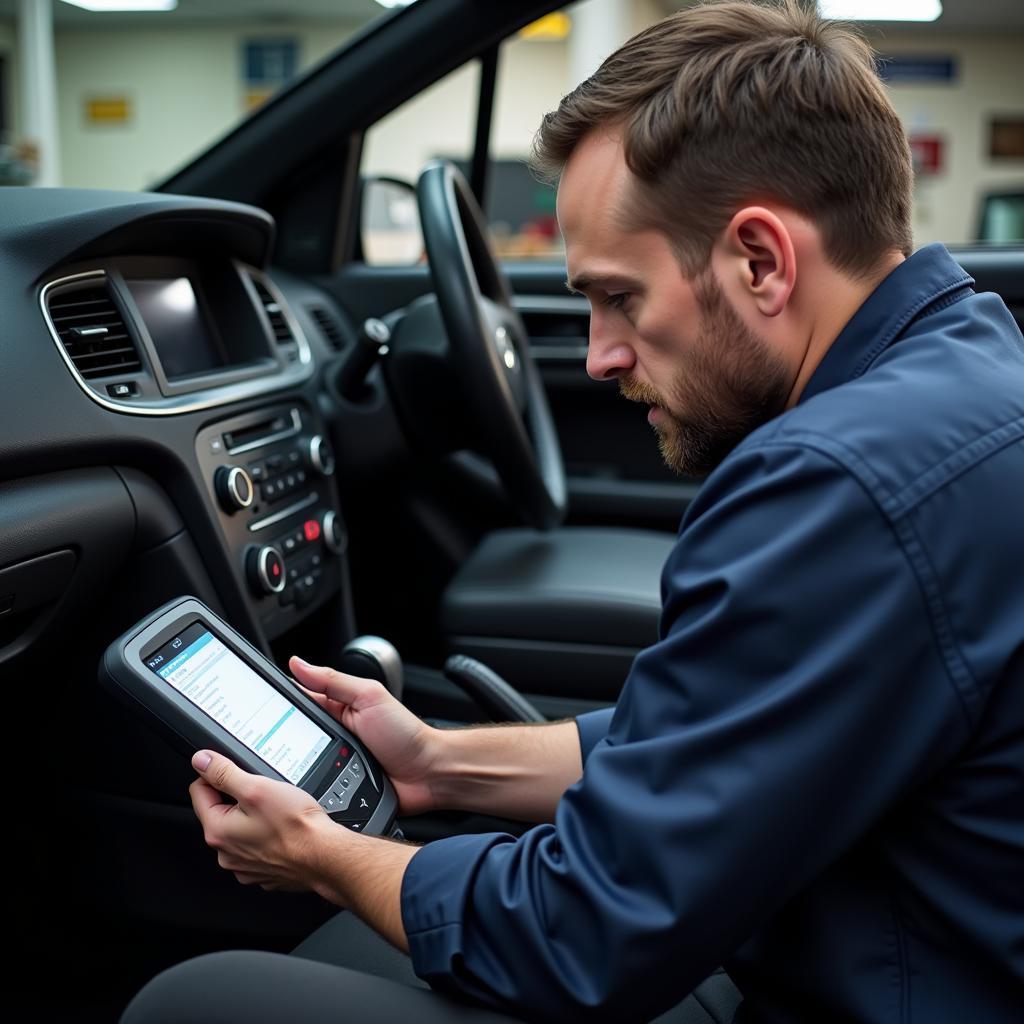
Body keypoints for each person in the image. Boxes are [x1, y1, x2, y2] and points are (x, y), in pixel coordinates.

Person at [120, 2, 1024, 1022]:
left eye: (619, 298)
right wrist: (438, 763)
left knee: (195, 1001)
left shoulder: (838, 484)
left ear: (761, 261)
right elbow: (720, 740)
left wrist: (325, 856)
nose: (597, 355)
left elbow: (580, 932)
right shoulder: (969, 367)